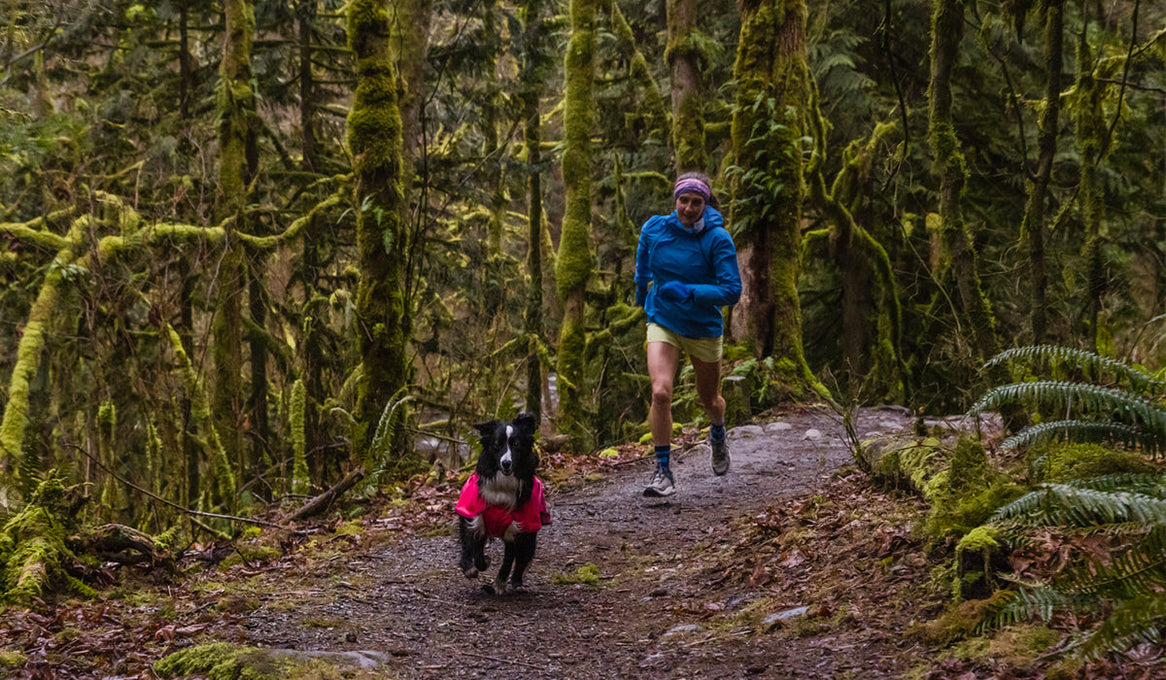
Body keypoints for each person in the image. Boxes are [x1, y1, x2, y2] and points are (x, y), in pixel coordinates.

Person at [634, 172, 742, 497]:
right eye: (684, 200)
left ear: (705, 205)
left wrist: (692, 293)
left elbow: (732, 290)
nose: (689, 208)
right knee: (661, 392)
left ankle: (718, 434)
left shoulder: (718, 239)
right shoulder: (655, 228)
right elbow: (643, 257)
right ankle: (663, 471)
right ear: (675, 201)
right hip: (663, 319)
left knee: (709, 399)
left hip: (702, 328)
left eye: (697, 202)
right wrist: (641, 286)